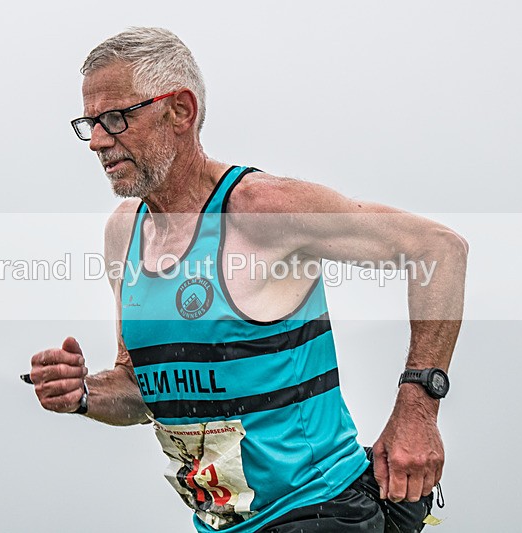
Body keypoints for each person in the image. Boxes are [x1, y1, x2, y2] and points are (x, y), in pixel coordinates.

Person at [28, 27, 467, 533]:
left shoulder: (262, 210)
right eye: (90, 123)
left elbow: (439, 249)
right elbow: (142, 389)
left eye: (115, 118)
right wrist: (83, 393)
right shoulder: (123, 233)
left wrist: (418, 407)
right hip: (229, 525)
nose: (99, 141)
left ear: (180, 111)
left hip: (322, 511)